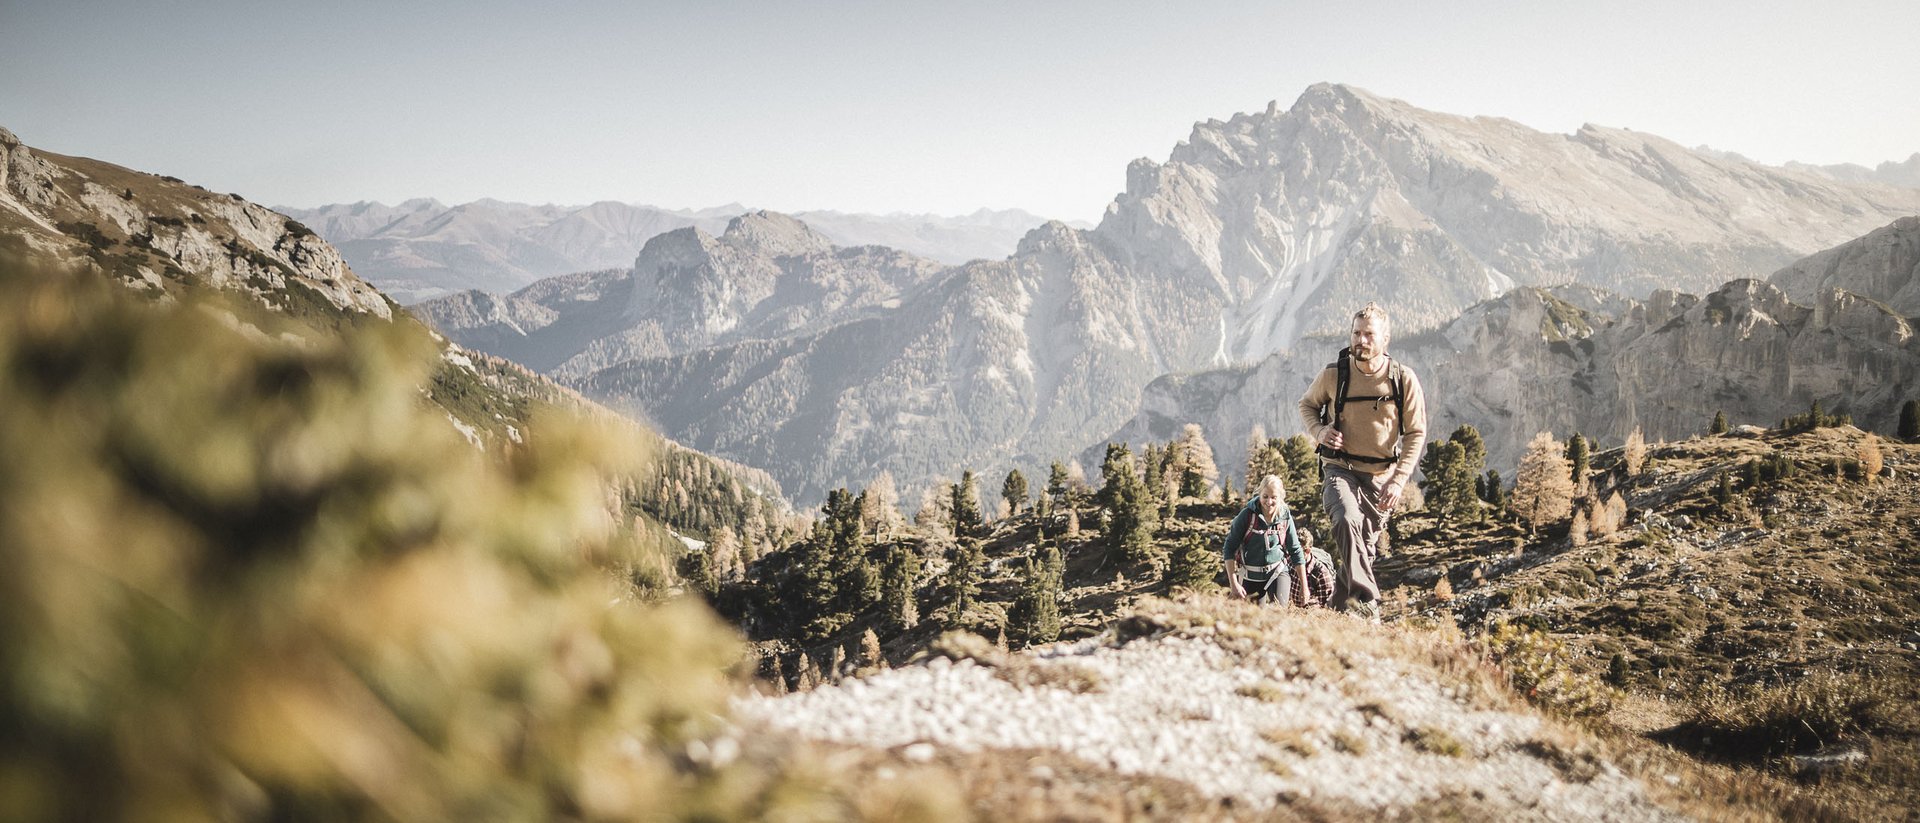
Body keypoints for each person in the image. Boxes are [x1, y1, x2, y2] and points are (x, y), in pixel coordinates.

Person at [1296, 302, 1427, 622]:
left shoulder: (1402, 380)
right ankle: (1368, 602)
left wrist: (1398, 480)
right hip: (1340, 469)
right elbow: (1307, 405)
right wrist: (1320, 431)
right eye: (1356, 333)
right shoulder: (1334, 374)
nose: (1361, 341)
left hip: (1381, 479)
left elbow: (1416, 433)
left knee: (1361, 553)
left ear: (1385, 339)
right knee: (1345, 518)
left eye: (1369, 335)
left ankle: (1334, 618)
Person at [1221, 475, 1309, 606]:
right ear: (1259, 494)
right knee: (1254, 618)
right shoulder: (1246, 516)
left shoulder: (1284, 516)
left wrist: (1304, 586)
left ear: (1280, 497)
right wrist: (1233, 584)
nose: (1269, 502)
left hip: (1277, 571)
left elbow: (1295, 550)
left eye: (1274, 497)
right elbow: (1229, 549)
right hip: (1251, 575)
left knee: (1279, 611)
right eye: (1265, 496)